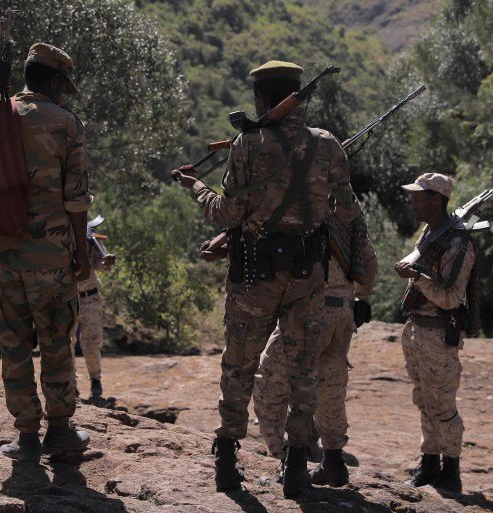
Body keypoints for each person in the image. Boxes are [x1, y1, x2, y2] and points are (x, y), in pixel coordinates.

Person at [172, 60, 361, 498]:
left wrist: (196, 188)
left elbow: (227, 213)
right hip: (306, 275)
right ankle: (297, 467)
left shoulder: (248, 143)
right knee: (303, 369)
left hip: (254, 272)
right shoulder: (328, 145)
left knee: (239, 363)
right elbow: (348, 212)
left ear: (261, 97)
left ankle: (226, 459)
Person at [0, 42, 93, 462]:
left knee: (13, 345)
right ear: (54, 81)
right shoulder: (65, 124)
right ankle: (60, 430)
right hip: (49, 258)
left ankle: (25, 435)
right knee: (55, 341)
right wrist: (82, 256)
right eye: (61, 86)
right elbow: (76, 200)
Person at [253, 212, 378, 487]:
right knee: (329, 388)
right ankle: (333, 462)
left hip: (307, 311)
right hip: (343, 313)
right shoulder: (351, 218)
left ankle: (289, 461)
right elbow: (369, 273)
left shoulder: (301, 211)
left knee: (269, 384)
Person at [393, 172, 476, 494]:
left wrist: (416, 277)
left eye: (418, 196)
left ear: (435, 199)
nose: (413, 201)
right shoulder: (432, 233)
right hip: (417, 329)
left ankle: (451, 470)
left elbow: (452, 298)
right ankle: (429, 463)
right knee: (424, 400)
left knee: (442, 405)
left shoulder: (457, 244)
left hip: (439, 334)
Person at [71, 230, 116, 399]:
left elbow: (101, 265)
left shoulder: (91, 240)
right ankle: (70, 384)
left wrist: (106, 263)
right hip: (68, 297)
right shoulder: (60, 238)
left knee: (90, 342)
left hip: (90, 297)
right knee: (67, 342)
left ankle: (95, 380)